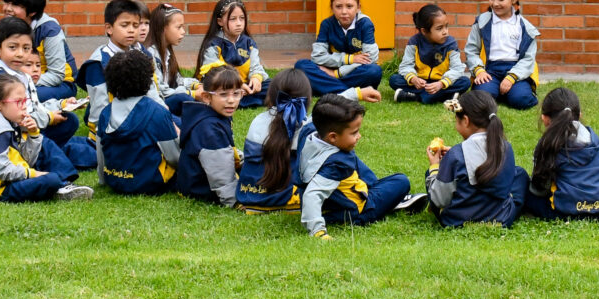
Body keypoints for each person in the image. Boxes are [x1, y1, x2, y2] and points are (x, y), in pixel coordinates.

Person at [0, 16, 96, 169]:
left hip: (28, 129)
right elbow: (16, 120)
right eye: (13, 47)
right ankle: (59, 167)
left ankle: (62, 151)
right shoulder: (0, 78)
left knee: (69, 120)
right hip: (10, 140)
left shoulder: (19, 73)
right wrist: (48, 117)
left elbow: (33, 105)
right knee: (60, 147)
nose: (20, 53)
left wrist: (61, 104)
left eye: (26, 48)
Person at [297, 93, 423, 238]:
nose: (359, 136)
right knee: (401, 181)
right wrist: (318, 231)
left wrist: (357, 93)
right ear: (333, 137)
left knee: (351, 156)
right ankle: (387, 205)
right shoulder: (336, 163)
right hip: (352, 210)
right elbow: (312, 195)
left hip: (332, 201)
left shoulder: (309, 131)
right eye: (354, 132)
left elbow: (323, 110)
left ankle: (382, 193)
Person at [0, 73, 92, 203]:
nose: (24, 106)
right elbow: (2, 171)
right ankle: (59, 185)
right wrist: (33, 174)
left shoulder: (9, 119)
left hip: (8, 179)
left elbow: (25, 159)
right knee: (51, 179)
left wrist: (33, 134)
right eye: (18, 102)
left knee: (44, 143)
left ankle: (64, 184)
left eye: (25, 100)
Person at [519, 87, 599, 221]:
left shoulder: (548, 145)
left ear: (545, 118)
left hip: (568, 212)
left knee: (522, 182)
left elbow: (540, 189)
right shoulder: (596, 141)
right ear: (580, 115)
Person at [426, 91, 522, 228]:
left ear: (465, 121)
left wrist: (435, 166)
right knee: (520, 174)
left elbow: (439, 200)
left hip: (457, 221)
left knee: (432, 175)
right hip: (501, 218)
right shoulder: (506, 147)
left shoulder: (456, 155)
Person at [95, 49, 180, 196]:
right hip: (151, 183)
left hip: (115, 181)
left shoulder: (105, 113)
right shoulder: (157, 112)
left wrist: (103, 180)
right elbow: (174, 157)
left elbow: (100, 154)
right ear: (147, 78)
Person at [235, 68, 316, 213]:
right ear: (306, 99)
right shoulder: (307, 127)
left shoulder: (258, 120)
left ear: (271, 96)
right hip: (288, 198)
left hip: (250, 194)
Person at [294, 0, 383, 101]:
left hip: (349, 73)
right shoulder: (326, 24)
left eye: (349, 6)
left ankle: (326, 88)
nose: (344, 12)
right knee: (301, 66)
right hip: (329, 70)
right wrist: (348, 59)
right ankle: (352, 93)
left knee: (374, 71)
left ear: (358, 7)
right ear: (332, 7)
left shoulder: (365, 24)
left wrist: (337, 73)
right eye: (338, 7)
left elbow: (370, 58)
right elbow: (317, 57)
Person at [80, 0, 157, 134]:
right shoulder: (98, 63)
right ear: (109, 28)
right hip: (113, 129)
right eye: (125, 25)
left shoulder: (141, 54)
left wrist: (162, 112)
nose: (131, 30)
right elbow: (99, 112)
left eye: (135, 25)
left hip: (143, 116)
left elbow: (152, 92)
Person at [465, 0, 540, 110]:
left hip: (515, 71)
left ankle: (510, 91)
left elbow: (528, 59)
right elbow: (471, 50)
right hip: (489, 70)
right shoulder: (481, 22)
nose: (495, 3)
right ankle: (496, 90)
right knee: (482, 98)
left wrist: (511, 78)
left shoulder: (526, 28)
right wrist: (479, 71)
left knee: (522, 100)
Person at [175, 67, 243, 207]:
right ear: (206, 97)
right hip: (199, 189)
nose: (231, 100)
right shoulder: (209, 129)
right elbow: (220, 174)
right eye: (223, 94)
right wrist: (235, 201)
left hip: (196, 182)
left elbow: (226, 151)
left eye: (236, 94)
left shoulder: (213, 115)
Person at [1, 0, 77, 102]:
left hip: (59, 84)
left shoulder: (50, 30)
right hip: (20, 79)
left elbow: (57, 75)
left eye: (15, 5)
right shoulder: (7, 26)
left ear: (32, 11)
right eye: (6, 2)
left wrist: (22, 83)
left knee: (25, 97)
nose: (7, 8)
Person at [194, 0, 267, 108]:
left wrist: (256, 78)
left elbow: (256, 66)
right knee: (218, 93)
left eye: (242, 18)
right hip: (224, 87)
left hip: (246, 87)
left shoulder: (249, 43)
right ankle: (241, 99)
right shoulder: (213, 44)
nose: (239, 23)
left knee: (274, 86)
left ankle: (242, 98)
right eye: (233, 19)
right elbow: (213, 72)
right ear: (220, 21)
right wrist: (238, 85)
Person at [391, 4, 471, 105]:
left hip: (441, 82)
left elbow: (457, 69)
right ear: (424, 31)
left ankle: (415, 96)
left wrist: (441, 84)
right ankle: (443, 96)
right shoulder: (414, 42)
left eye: (446, 26)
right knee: (394, 80)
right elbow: (405, 66)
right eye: (439, 28)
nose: (445, 32)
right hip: (420, 82)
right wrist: (413, 79)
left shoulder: (451, 43)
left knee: (465, 82)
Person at [148, 2, 200, 114]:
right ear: (163, 28)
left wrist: (196, 85)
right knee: (184, 99)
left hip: (169, 99)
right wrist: (192, 93)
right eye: (179, 27)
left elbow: (177, 80)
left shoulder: (167, 52)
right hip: (158, 105)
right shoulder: (150, 55)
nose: (183, 32)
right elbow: (161, 91)